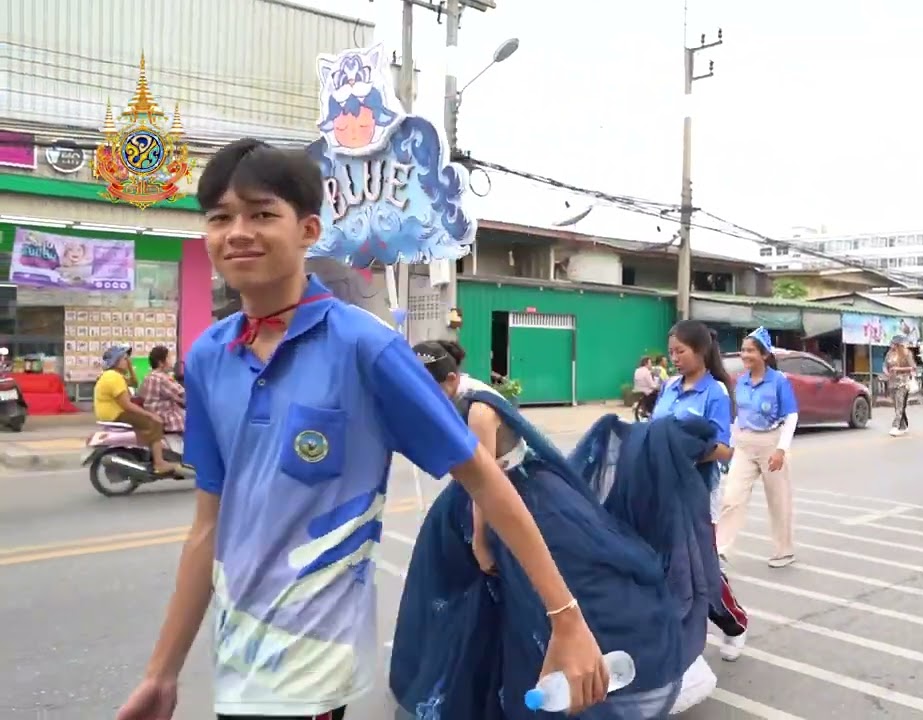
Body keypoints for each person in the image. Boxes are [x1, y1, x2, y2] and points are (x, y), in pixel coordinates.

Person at [115, 139, 608, 720]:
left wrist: (566, 617)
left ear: (308, 229)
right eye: (220, 217)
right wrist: (162, 674)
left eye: (261, 213)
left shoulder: (365, 347)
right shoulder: (207, 357)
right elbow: (208, 526)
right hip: (237, 660)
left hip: (313, 670)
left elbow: (484, 477)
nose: (238, 231)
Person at [391, 341, 683, 719]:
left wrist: (481, 541)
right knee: (481, 597)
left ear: (451, 378)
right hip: (482, 497)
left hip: (518, 496)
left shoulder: (479, 409)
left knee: (529, 589)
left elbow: (487, 483)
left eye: (429, 388)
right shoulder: (458, 394)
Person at [649, 320, 747, 695]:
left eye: (680, 352)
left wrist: (682, 452)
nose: (674, 358)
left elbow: (723, 448)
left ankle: (734, 624)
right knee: (663, 566)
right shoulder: (670, 388)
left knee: (700, 567)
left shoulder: (716, 393)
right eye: (671, 352)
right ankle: (679, 642)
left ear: (700, 350)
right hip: (659, 487)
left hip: (695, 492)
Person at [717, 327, 799, 568]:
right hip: (744, 444)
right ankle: (720, 549)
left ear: (764, 355)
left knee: (778, 500)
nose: (744, 355)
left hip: (771, 443)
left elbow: (791, 416)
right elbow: (736, 417)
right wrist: (729, 446)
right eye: (743, 350)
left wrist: (781, 450)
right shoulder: (740, 382)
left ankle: (783, 550)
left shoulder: (778, 381)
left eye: (750, 350)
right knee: (732, 497)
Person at [94, 344, 179, 476]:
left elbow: (134, 383)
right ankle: (159, 462)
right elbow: (127, 405)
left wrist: (129, 367)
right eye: (124, 359)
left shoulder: (116, 375)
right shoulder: (113, 377)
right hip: (117, 414)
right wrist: (150, 415)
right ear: (115, 361)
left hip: (115, 413)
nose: (127, 361)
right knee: (155, 422)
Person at [138, 346, 186, 435]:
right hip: (166, 420)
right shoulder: (162, 378)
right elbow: (182, 394)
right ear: (161, 363)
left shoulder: (147, 377)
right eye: (169, 357)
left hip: (152, 416)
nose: (172, 360)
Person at [883, 335, 916, 436]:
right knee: (897, 405)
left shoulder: (906, 354)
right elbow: (885, 365)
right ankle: (903, 425)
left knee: (900, 405)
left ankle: (895, 426)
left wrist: (897, 369)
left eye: (893, 344)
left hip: (903, 383)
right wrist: (886, 372)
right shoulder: (889, 354)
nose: (891, 346)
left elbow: (912, 367)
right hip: (892, 382)